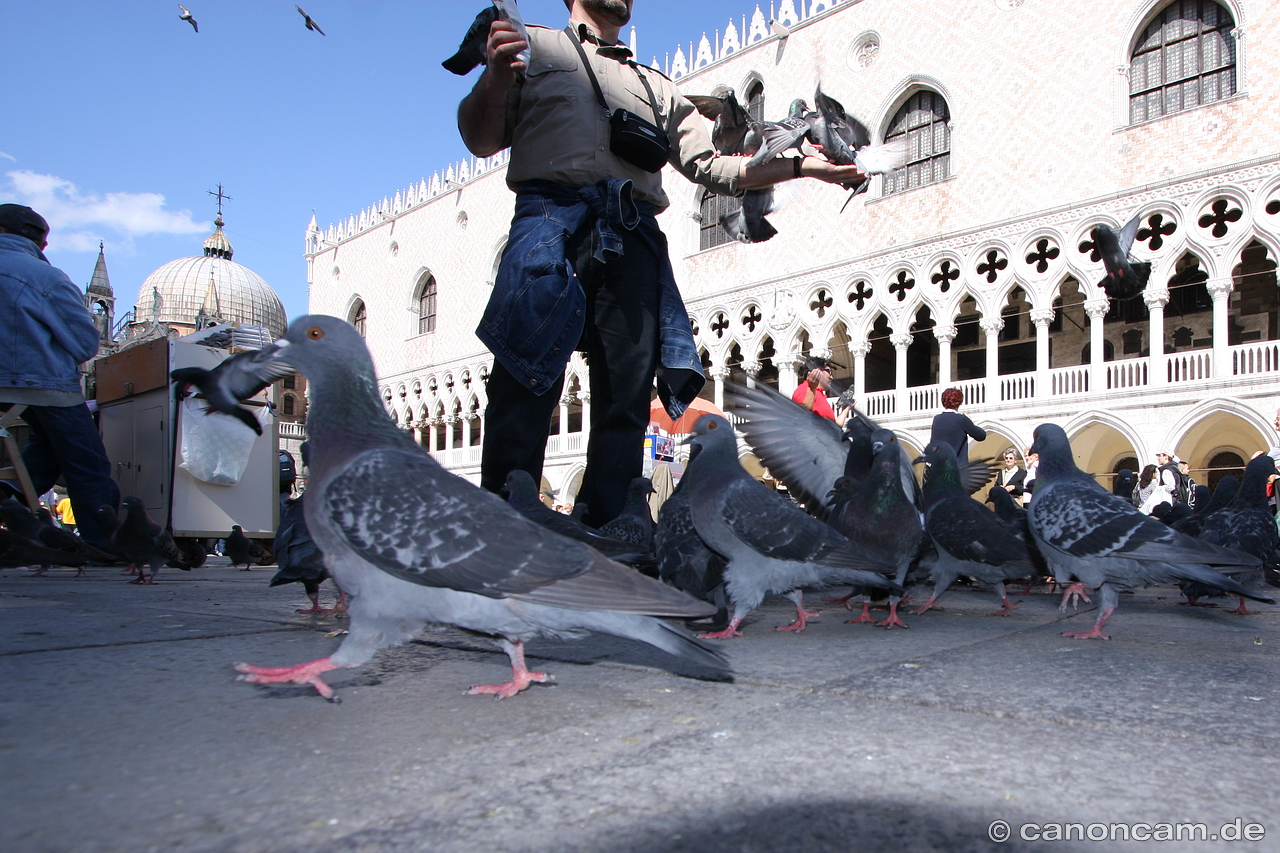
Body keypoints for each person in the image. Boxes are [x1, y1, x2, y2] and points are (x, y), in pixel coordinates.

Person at [457, 0, 867, 527]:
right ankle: (500, 531)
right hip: (549, 220)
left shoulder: (658, 86)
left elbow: (714, 168)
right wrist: (494, 78)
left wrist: (807, 167)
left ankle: (612, 531)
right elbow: (481, 138)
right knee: (524, 380)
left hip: (633, 232)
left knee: (626, 398)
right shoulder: (531, 45)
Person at [0, 204, 119, 548]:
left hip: (17, 393)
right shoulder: (44, 277)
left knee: (47, 447)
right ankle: (104, 544)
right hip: (38, 386)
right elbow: (84, 344)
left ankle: (8, 499)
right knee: (86, 464)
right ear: (41, 243)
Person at [928, 388, 986, 464]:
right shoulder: (962, 419)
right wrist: (970, 422)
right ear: (959, 402)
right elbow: (981, 435)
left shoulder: (937, 419)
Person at [791, 356, 846, 424]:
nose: (831, 377)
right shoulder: (803, 389)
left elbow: (834, 427)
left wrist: (846, 409)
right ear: (816, 371)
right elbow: (802, 416)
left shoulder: (819, 394)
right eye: (829, 372)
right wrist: (811, 388)